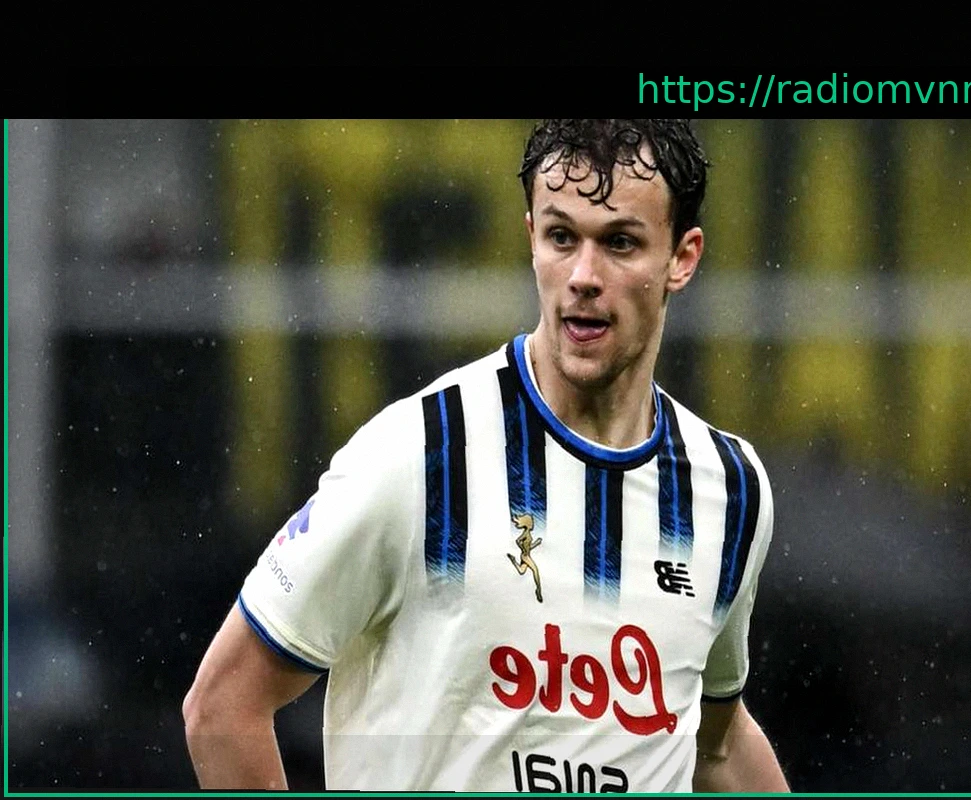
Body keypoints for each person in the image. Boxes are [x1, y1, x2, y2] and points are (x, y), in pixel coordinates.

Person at [182, 119, 789, 793]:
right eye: (562, 237)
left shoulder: (730, 491)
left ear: (682, 257)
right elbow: (223, 708)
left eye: (619, 242)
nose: (583, 276)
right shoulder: (420, 453)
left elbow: (715, 742)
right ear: (531, 237)